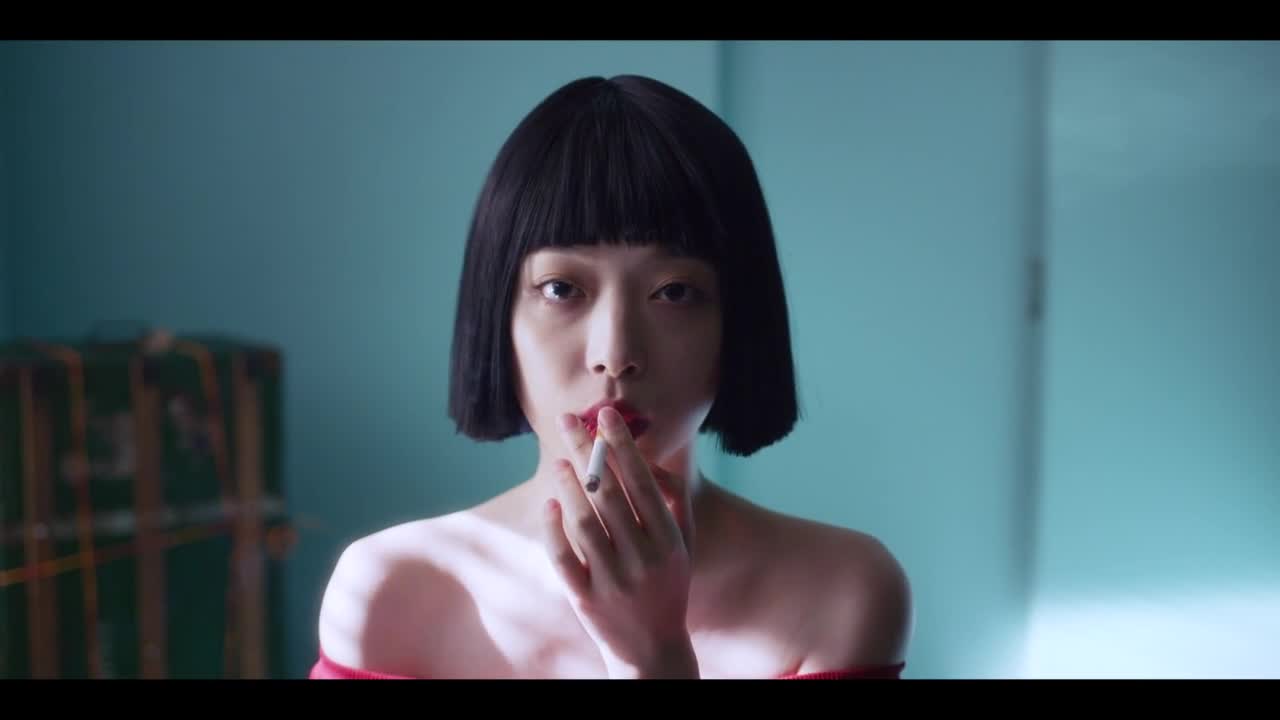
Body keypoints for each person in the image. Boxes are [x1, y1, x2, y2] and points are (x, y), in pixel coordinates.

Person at [310, 74, 913, 679]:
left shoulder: (841, 592)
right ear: (498, 315)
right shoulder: (393, 592)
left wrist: (652, 655)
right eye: (561, 289)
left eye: (673, 292)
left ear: (738, 319)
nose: (615, 354)